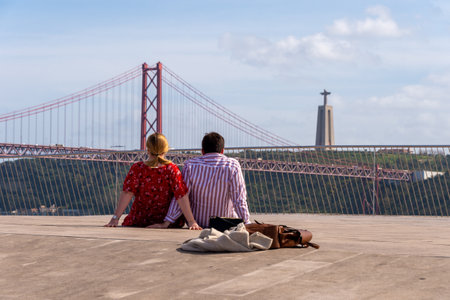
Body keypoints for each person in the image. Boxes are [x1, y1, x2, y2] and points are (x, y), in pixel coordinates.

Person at [152, 132, 251, 228]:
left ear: (202, 151)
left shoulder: (190, 165)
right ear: (222, 151)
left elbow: (181, 195)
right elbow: (239, 199)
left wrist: (168, 221)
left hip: (198, 224)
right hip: (224, 223)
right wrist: (247, 223)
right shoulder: (232, 165)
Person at [105, 133, 201, 230]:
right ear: (166, 149)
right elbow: (181, 196)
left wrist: (115, 218)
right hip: (165, 221)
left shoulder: (137, 168)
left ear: (148, 149)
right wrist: (191, 221)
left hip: (140, 219)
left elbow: (127, 193)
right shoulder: (172, 169)